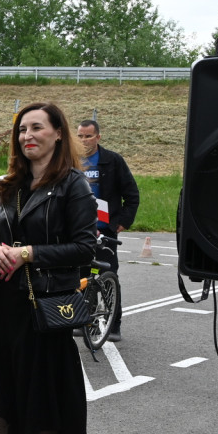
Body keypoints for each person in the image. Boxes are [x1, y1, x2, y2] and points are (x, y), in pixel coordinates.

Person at [0, 102, 96, 434]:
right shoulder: (8, 185)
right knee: (7, 402)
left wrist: (28, 253)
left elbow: (86, 248)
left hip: (44, 310)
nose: (28, 135)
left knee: (41, 402)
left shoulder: (73, 186)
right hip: (1, 308)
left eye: (37, 128)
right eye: (22, 129)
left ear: (58, 133)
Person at [76, 119, 139, 341]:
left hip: (105, 230)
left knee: (106, 275)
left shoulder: (112, 161)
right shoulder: (70, 160)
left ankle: (113, 325)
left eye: (88, 136)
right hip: (78, 230)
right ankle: (81, 319)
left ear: (98, 137)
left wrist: (122, 221)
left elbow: (132, 195)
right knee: (81, 275)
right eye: (80, 136)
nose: (84, 141)